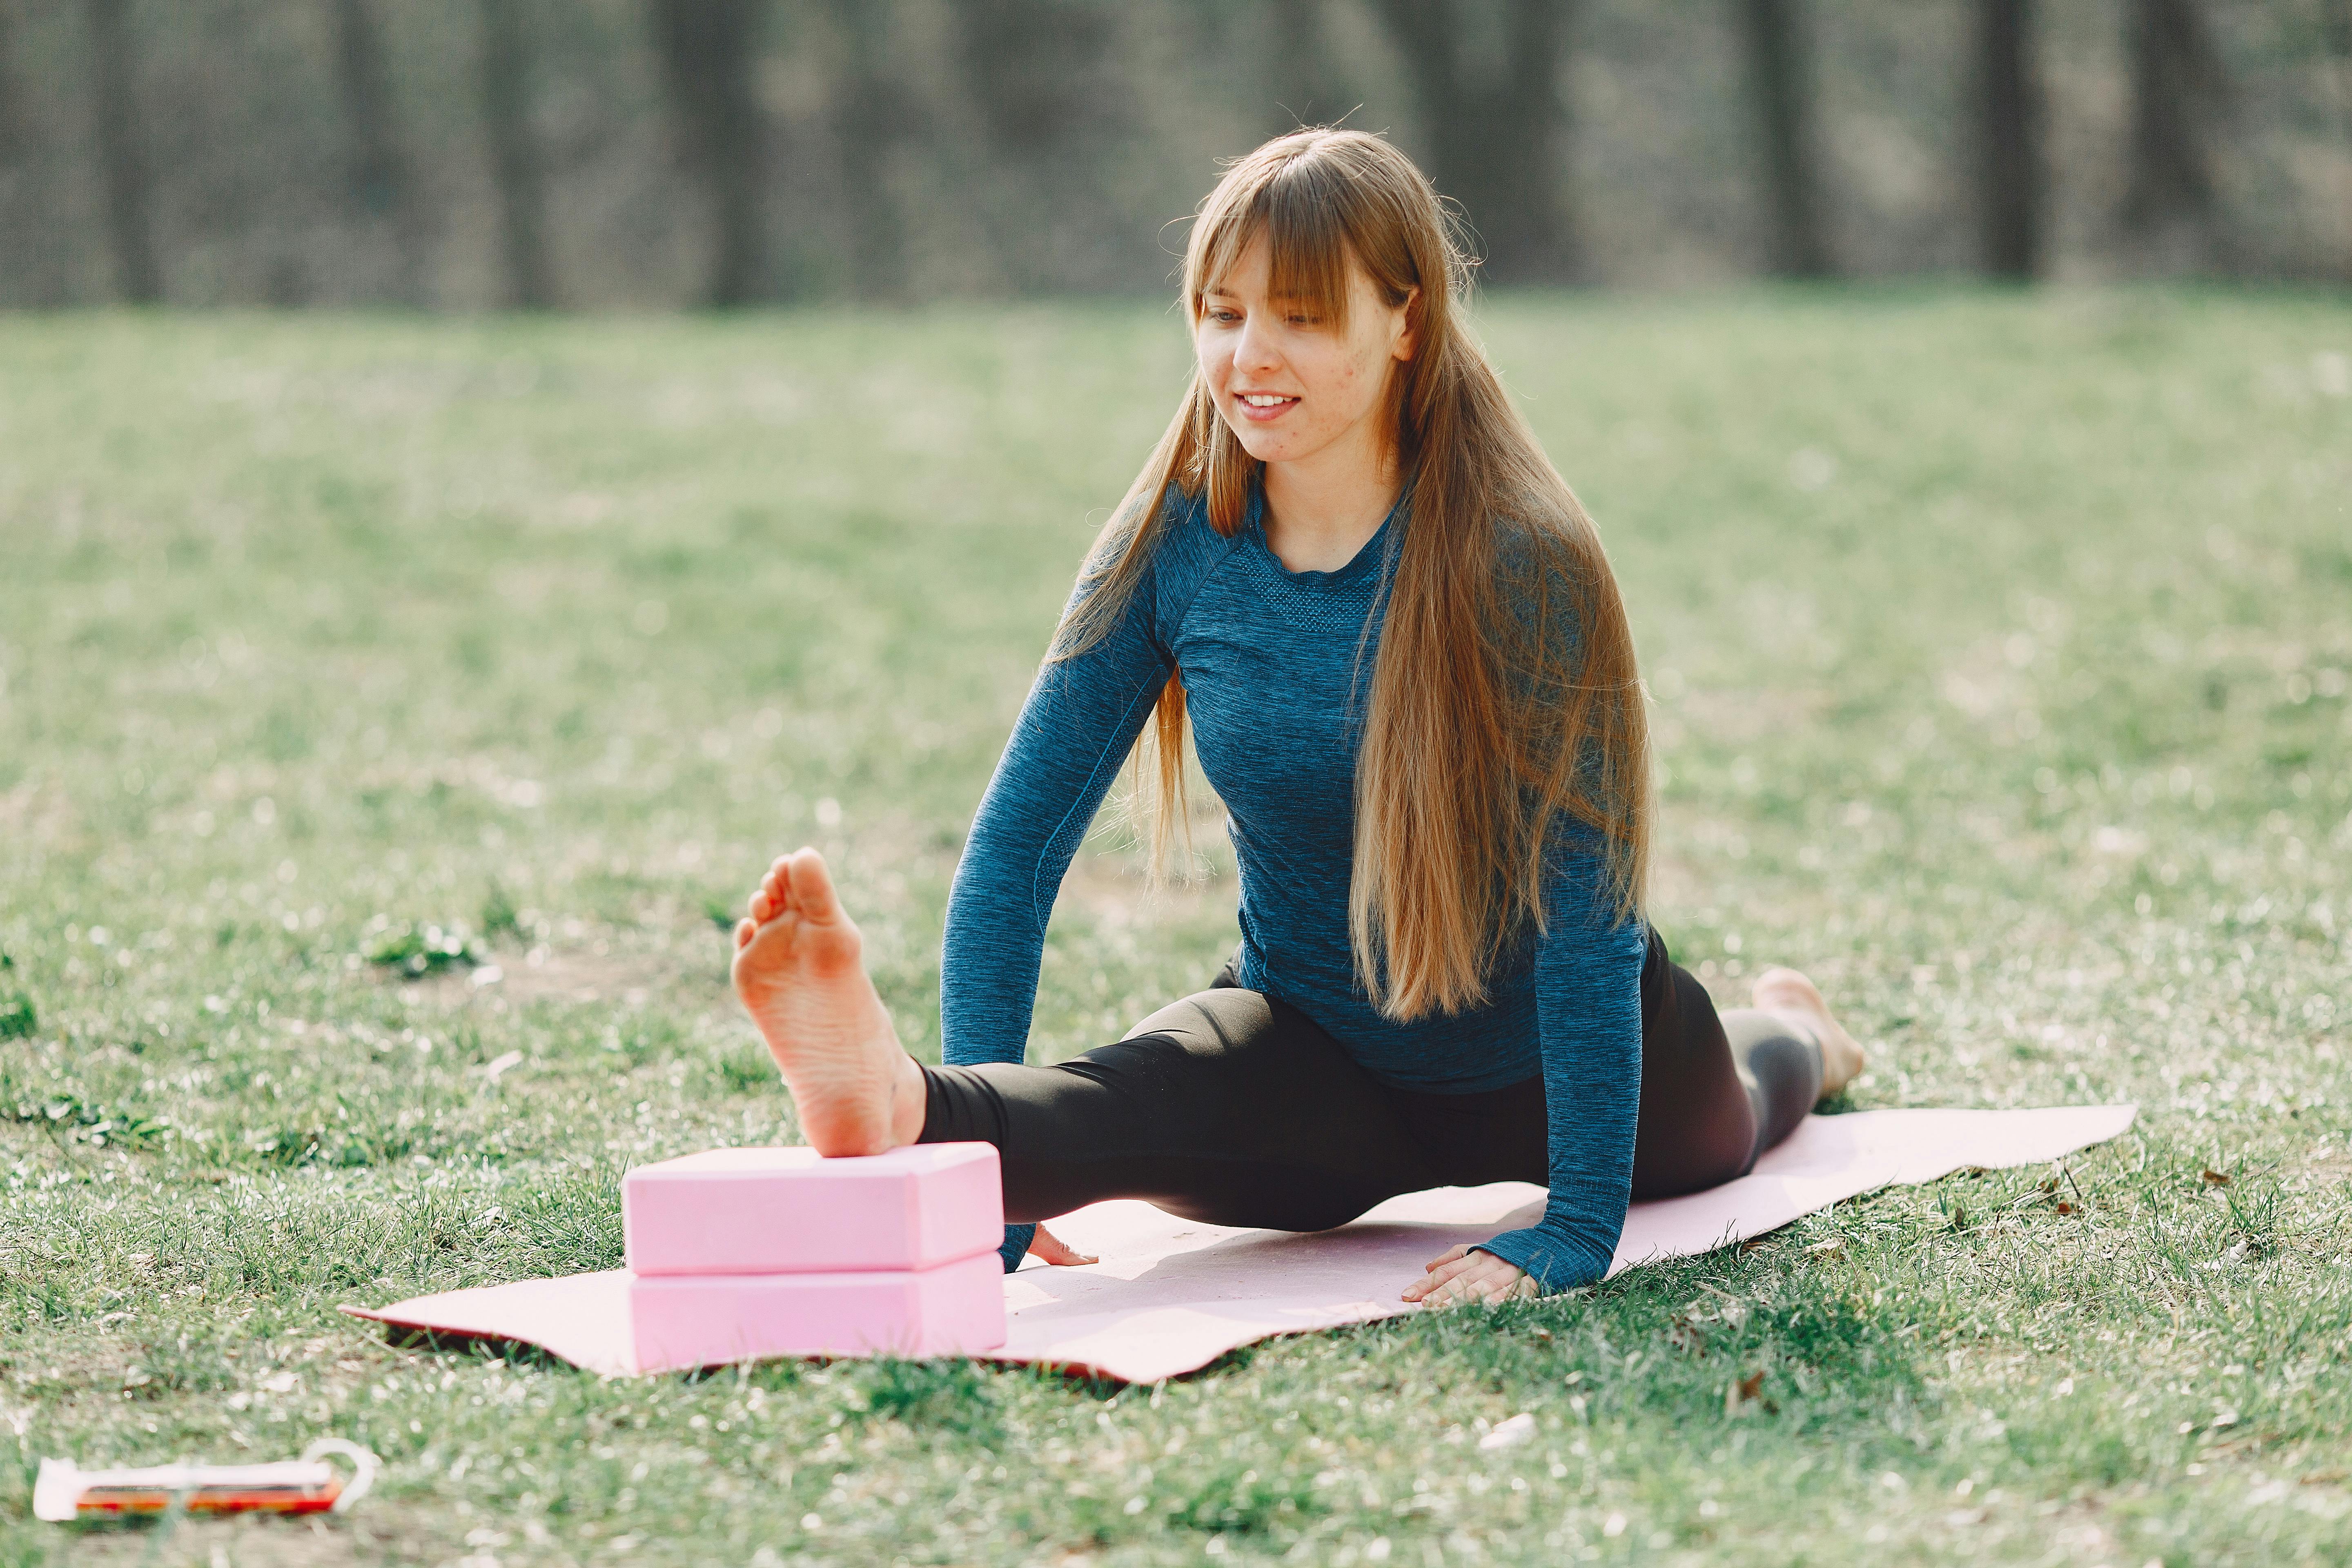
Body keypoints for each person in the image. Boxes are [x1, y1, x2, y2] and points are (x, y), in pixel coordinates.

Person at [727, 128, 1864, 1307]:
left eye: (1304, 317)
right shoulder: (1176, 543)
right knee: (1127, 1103)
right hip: (1315, 1062)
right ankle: (910, 1109)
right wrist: (994, 1207)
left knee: (1749, 1102)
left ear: (1405, 322)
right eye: (1221, 313)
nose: (1248, 355)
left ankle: (1802, 1031)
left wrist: (1573, 1226)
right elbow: (1016, 853)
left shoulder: (1522, 559)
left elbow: (1588, 921)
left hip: (1553, 1059)